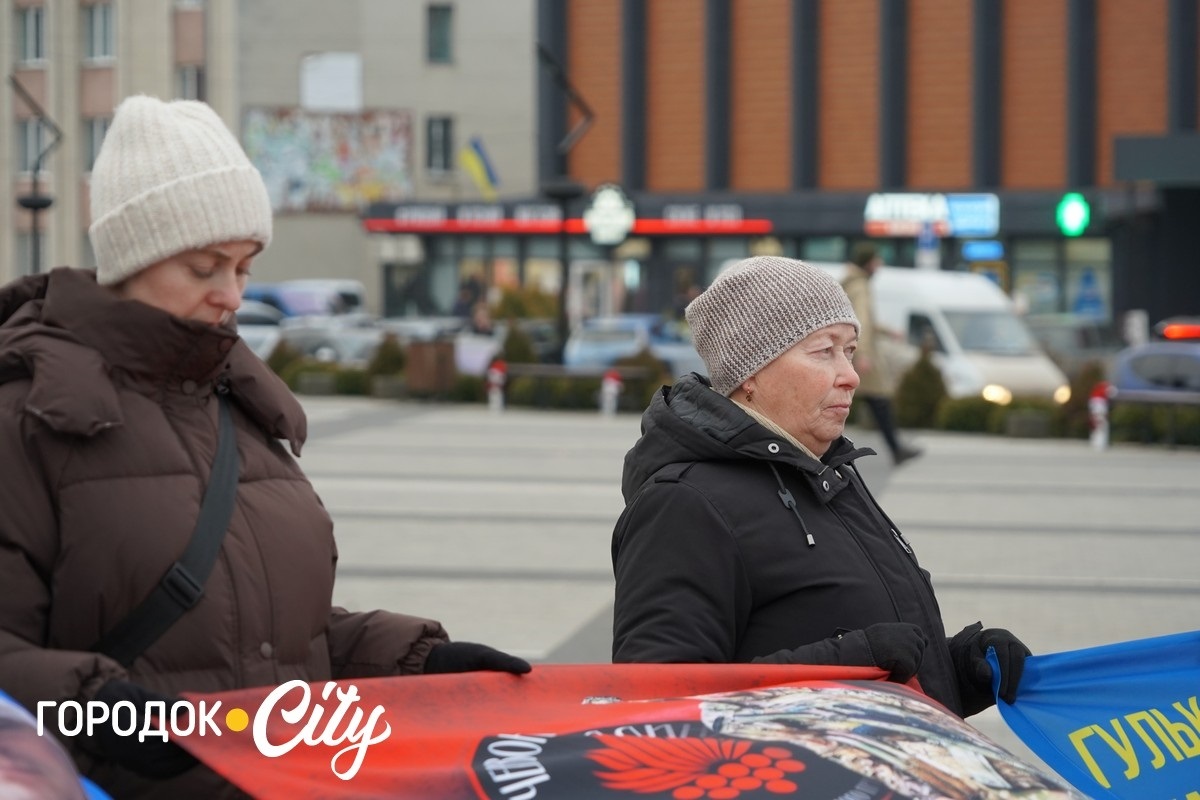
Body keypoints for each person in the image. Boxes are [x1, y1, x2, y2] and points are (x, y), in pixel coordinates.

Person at [0, 95, 529, 799]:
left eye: (244, 268)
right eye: (204, 267)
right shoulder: (27, 413)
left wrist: (415, 661)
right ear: (132, 255)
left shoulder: (240, 407)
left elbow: (277, 643)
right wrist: (98, 708)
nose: (230, 295)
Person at [610, 256, 1029, 720]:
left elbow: (872, 653)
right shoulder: (683, 504)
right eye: (824, 351)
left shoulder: (830, 472)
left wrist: (962, 671)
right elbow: (656, 706)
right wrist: (846, 666)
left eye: (849, 350)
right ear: (751, 372)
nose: (850, 375)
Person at [840, 244, 923, 465]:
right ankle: (895, 450)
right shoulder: (861, 286)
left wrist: (887, 331)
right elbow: (862, 321)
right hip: (861, 353)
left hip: (854, 350)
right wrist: (863, 354)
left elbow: (861, 319)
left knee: (863, 400)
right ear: (868, 262)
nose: (880, 265)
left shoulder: (852, 283)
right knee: (878, 400)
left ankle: (895, 449)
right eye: (877, 261)